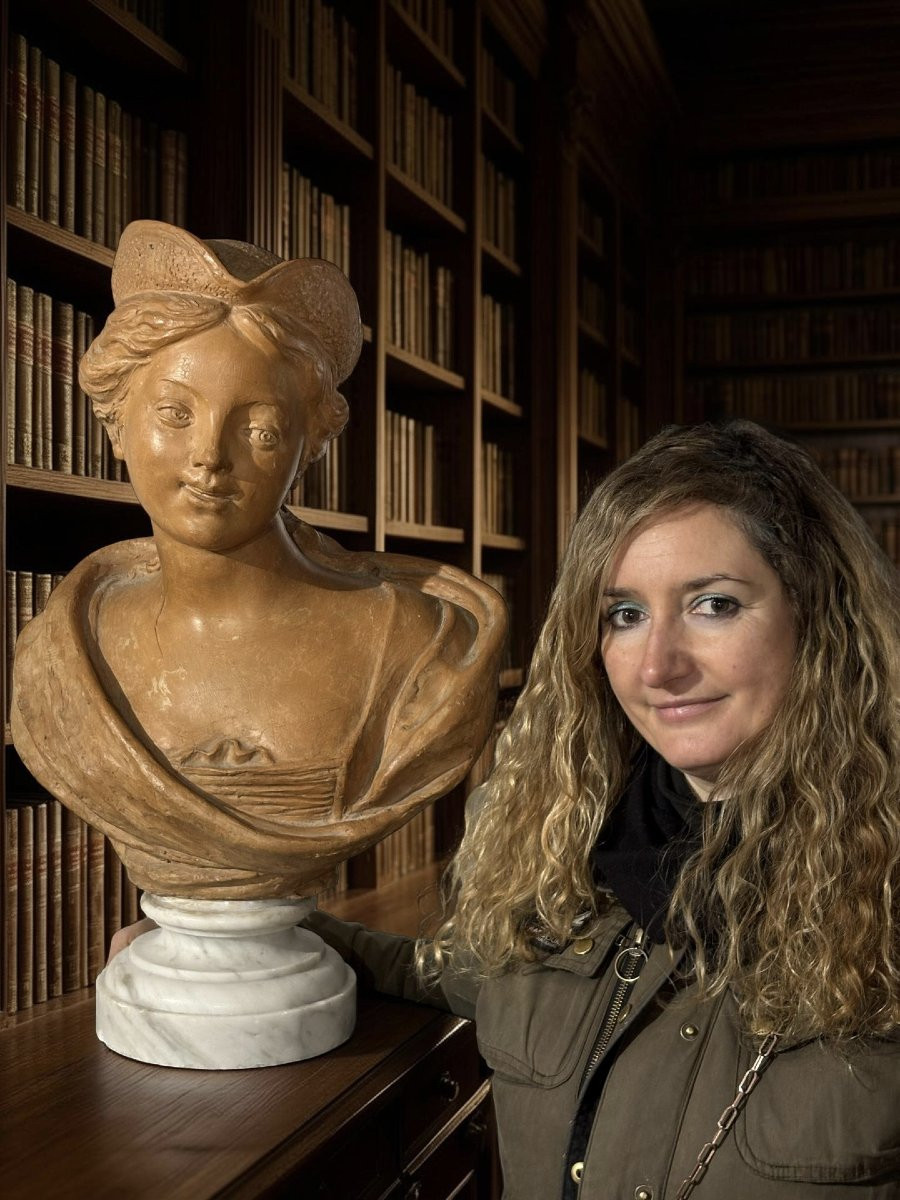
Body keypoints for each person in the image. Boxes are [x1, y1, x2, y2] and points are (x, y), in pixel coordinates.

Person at [300, 419, 900, 1198]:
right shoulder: (555, 843)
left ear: (818, 617)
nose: (658, 665)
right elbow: (462, 972)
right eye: (625, 614)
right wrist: (247, 933)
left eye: (714, 604)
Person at [12, 220, 505, 900]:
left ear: (310, 445)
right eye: (175, 413)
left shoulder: (412, 643)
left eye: (259, 429)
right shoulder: (65, 650)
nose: (210, 455)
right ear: (118, 421)